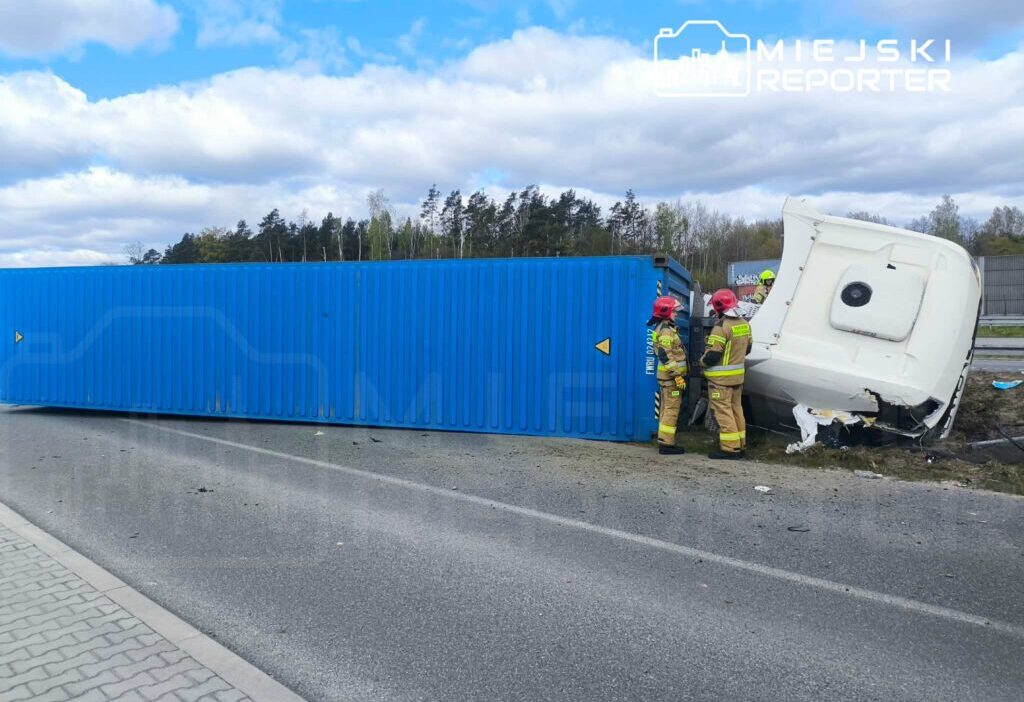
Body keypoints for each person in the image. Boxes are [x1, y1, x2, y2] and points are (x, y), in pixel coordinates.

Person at [701, 289, 751, 459]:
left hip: (720, 381)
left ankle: (730, 448)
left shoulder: (721, 327)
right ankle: (740, 444)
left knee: (723, 412)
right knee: (737, 409)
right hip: (738, 378)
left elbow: (712, 355)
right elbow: (748, 348)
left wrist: (701, 362)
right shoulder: (744, 324)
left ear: (718, 307)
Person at [647, 295, 688, 455]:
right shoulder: (665, 331)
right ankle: (667, 444)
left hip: (667, 378)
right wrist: (677, 375)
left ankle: (664, 440)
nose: (676, 314)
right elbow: (665, 355)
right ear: (665, 312)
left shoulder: (664, 328)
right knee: (671, 409)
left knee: (666, 408)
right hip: (671, 379)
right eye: (673, 311)